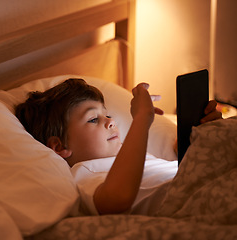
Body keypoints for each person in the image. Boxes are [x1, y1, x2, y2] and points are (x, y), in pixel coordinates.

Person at [15, 78, 222, 215]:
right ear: (59, 147)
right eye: (93, 119)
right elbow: (116, 200)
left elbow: (170, 172)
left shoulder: (124, 155)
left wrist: (201, 138)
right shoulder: (85, 172)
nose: (111, 122)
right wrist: (142, 118)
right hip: (204, 199)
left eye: (108, 115)